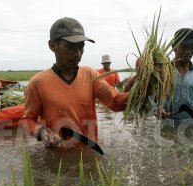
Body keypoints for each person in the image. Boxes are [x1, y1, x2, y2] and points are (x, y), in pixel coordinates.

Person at [22, 17, 129, 149]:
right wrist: (42, 132)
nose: (77, 54)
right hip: (58, 158)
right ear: (52, 46)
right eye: (70, 47)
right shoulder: (38, 83)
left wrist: (144, 89)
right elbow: (27, 120)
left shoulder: (91, 75)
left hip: (90, 153)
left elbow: (116, 102)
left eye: (81, 47)